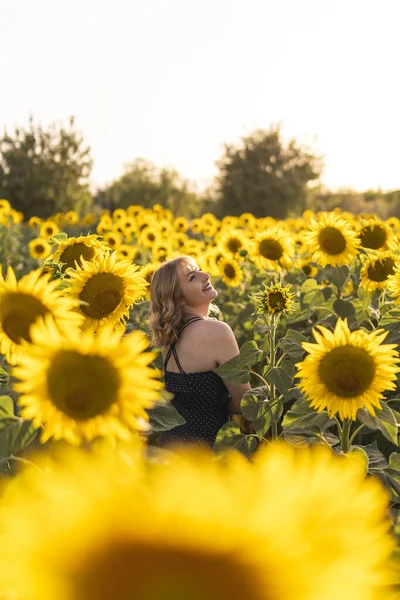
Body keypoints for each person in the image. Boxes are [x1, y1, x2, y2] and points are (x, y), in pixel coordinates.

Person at [148, 255, 251, 449]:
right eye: (192, 277)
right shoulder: (217, 332)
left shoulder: (169, 340)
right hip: (206, 451)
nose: (206, 275)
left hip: (171, 446)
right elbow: (246, 405)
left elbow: (187, 399)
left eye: (200, 270)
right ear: (178, 299)